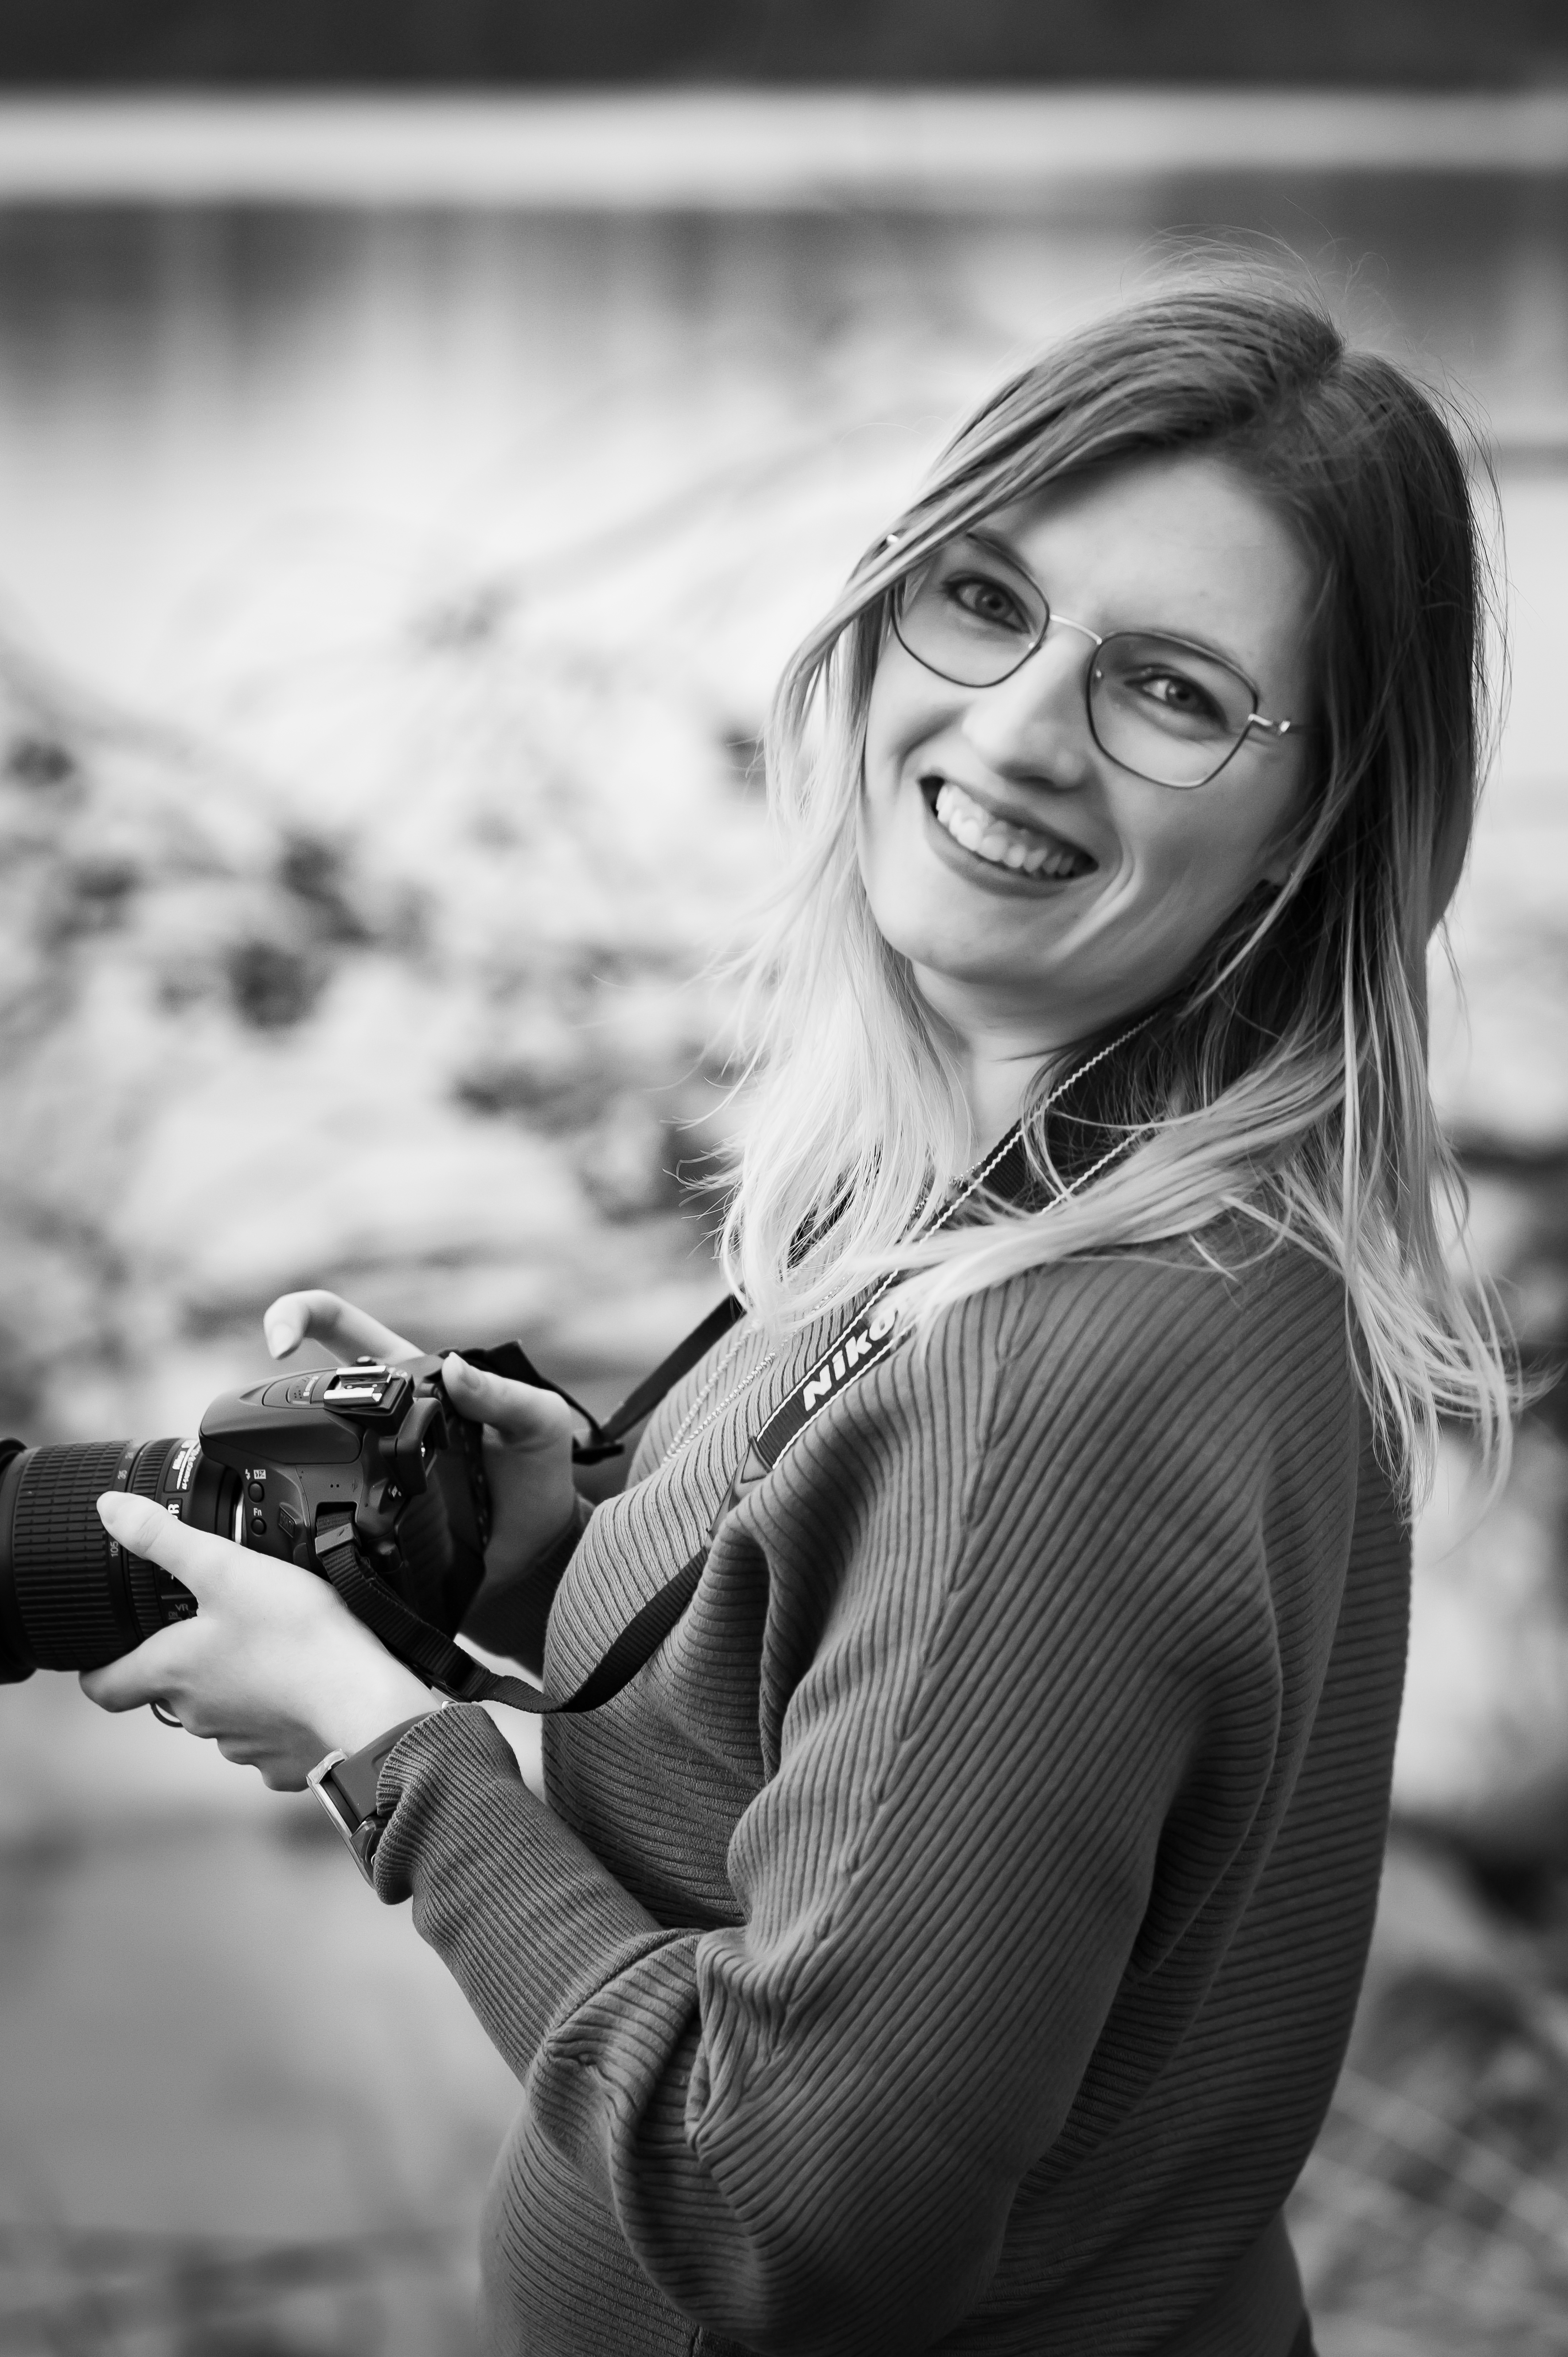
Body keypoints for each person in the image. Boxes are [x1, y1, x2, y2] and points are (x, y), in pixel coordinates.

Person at [83, 280, 1512, 2357]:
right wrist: (551, 1553)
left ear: (1316, 821)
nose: (1020, 730)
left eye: (1177, 692)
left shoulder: (1061, 1379)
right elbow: (897, 1745)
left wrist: (396, 1752)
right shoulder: (1088, 1202)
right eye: (986, 599)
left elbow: (792, 2216)